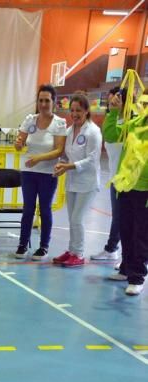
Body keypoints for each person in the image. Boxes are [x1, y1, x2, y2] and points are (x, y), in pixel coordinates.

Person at [102, 88, 148, 295]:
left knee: (140, 235)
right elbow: (111, 135)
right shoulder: (133, 125)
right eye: (144, 103)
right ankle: (128, 270)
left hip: (144, 191)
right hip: (125, 187)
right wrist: (113, 112)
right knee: (126, 231)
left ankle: (137, 276)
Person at [14, 83, 66, 260]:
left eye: (47, 100)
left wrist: (39, 158)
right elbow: (19, 143)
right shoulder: (29, 120)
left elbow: (59, 150)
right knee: (28, 209)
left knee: (45, 209)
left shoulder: (59, 123)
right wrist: (18, 144)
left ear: (54, 102)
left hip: (47, 174)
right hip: (28, 173)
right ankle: (22, 244)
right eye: (40, 100)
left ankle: (43, 246)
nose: (43, 104)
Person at [53, 93, 102, 267]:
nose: (74, 114)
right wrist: (61, 165)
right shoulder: (69, 130)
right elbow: (67, 155)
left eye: (78, 111)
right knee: (71, 219)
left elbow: (92, 159)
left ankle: (79, 254)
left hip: (87, 183)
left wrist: (69, 166)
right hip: (72, 181)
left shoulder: (93, 132)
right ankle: (71, 251)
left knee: (77, 219)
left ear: (87, 111)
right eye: (72, 110)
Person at [90, 86, 126, 262]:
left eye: (116, 99)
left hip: (128, 181)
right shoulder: (112, 120)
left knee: (124, 219)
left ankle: (118, 253)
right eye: (111, 100)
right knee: (118, 217)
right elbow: (109, 134)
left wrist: (115, 114)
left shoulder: (128, 124)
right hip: (115, 178)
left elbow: (111, 136)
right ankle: (112, 249)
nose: (112, 103)